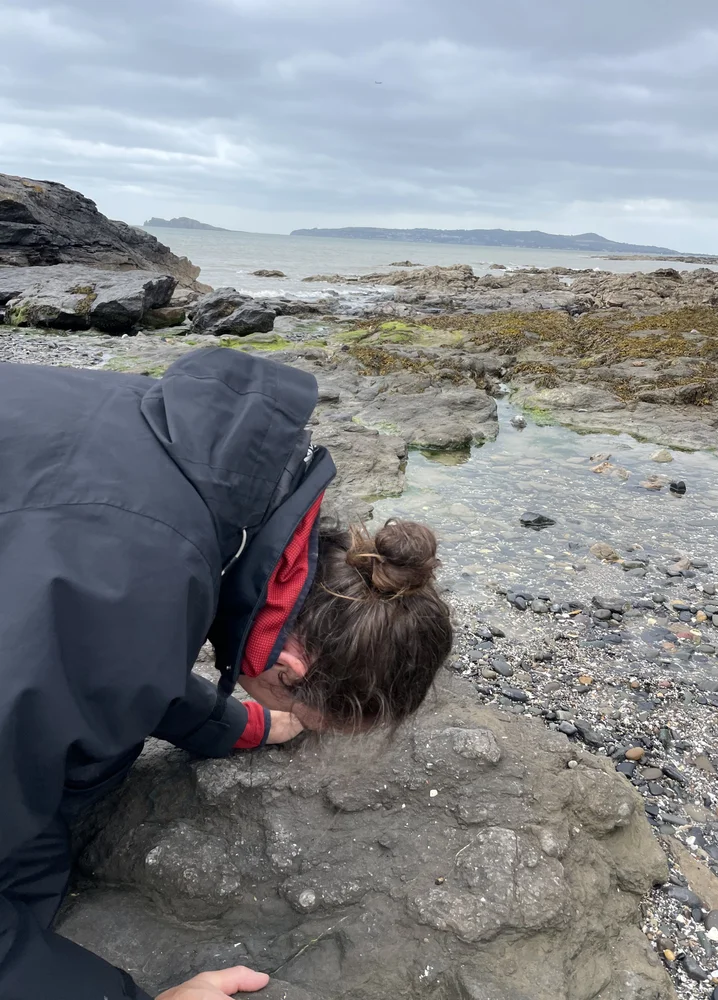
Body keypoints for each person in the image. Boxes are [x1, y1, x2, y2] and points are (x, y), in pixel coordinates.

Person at [0, 348, 452, 1000]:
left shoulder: (212, 485)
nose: (306, 727)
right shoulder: (129, 586)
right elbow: (87, 641)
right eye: (313, 719)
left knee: (35, 863)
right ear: (291, 669)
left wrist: (236, 723)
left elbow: (99, 655)